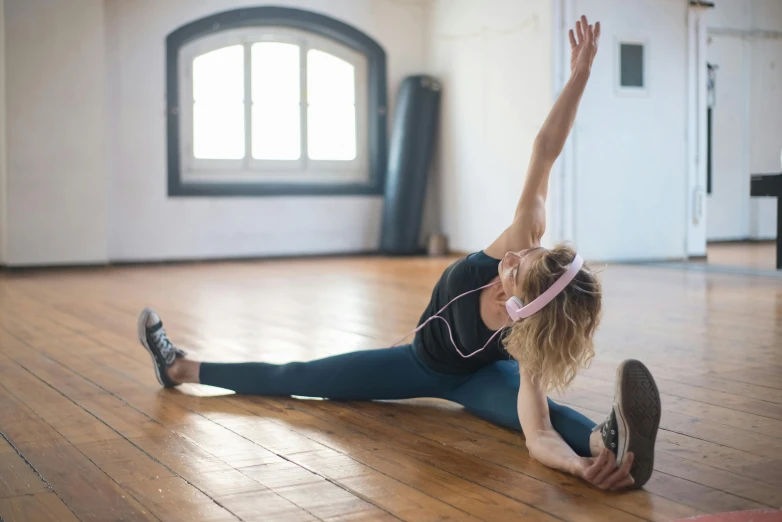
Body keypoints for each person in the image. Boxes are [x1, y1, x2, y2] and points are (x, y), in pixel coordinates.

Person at [137, 15, 661, 491]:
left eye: (518, 268)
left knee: (543, 410)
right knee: (299, 377)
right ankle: (179, 368)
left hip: (477, 382)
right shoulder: (523, 236)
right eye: (523, 255)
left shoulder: (524, 339)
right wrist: (581, 75)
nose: (514, 256)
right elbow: (545, 148)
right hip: (415, 361)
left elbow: (539, 437)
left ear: (527, 306)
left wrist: (576, 468)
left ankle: (608, 449)